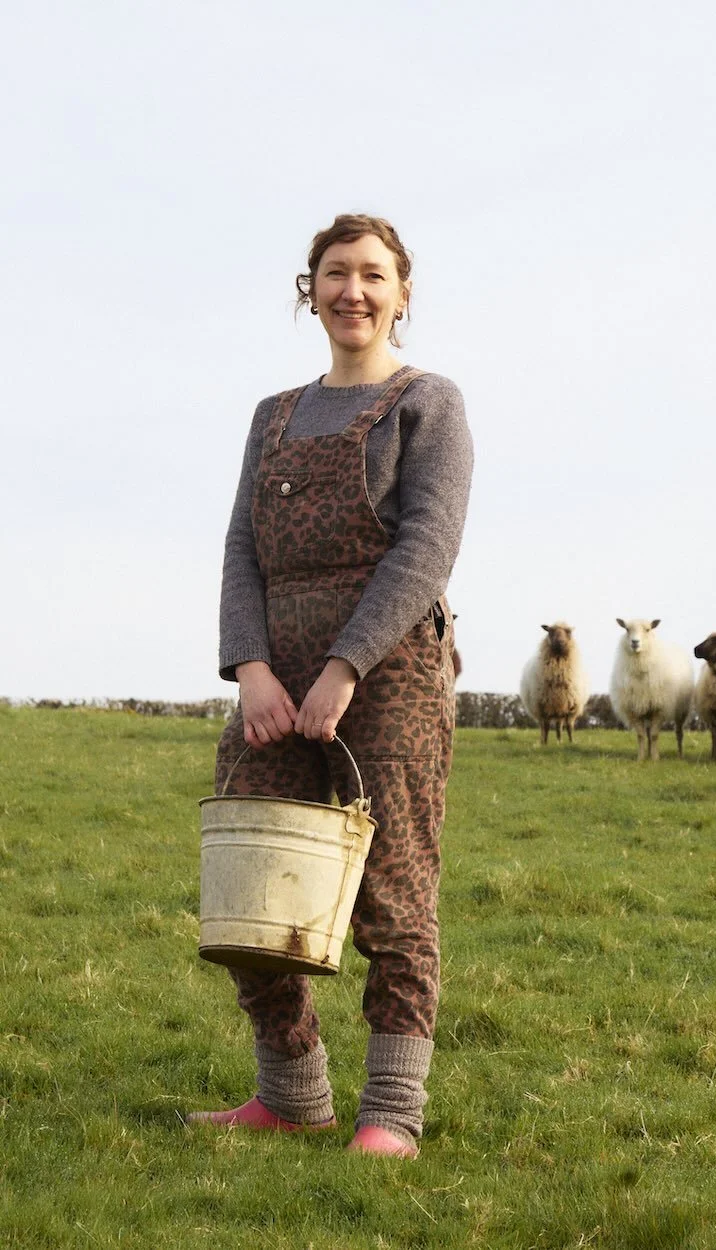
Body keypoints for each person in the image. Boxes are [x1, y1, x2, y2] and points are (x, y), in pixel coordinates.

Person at [186, 215, 473, 1157]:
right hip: (274, 679)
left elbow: (426, 548)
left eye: (374, 275)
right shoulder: (271, 415)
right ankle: (294, 1092)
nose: (354, 290)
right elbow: (239, 548)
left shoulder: (428, 403)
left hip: (390, 677)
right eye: (335, 274)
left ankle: (390, 1114)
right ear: (307, 289)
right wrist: (253, 670)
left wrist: (348, 666)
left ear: (402, 293)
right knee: (248, 891)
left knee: (393, 896)